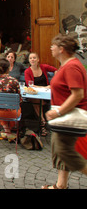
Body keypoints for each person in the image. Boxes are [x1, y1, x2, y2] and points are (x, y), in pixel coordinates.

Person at [42, 34, 87, 189]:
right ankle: (61, 185)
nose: (51, 48)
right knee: (61, 150)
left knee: (64, 151)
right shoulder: (67, 66)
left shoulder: (71, 67)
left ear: (61, 49)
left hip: (70, 117)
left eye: (53, 46)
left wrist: (58, 112)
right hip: (65, 117)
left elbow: (78, 94)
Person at [0, 58, 22, 141]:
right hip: (13, 114)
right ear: (9, 68)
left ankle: (7, 131)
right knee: (15, 108)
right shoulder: (14, 81)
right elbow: (19, 100)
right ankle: (8, 132)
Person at [24, 52, 58, 136]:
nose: (32, 59)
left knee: (38, 101)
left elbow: (56, 70)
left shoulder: (43, 67)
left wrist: (54, 80)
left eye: (34, 58)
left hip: (45, 94)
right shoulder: (27, 71)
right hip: (34, 94)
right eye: (31, 58)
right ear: (29, 60)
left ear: (38, 60)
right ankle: (43, 123)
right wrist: (45, 87)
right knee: (36, 100)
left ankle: (43, 123)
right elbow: (30, 85)